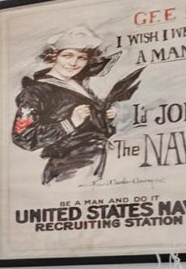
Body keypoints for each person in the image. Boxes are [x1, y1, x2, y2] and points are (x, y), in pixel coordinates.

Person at [10, 23, 137, 185]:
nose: (74, 63)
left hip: (95, 160)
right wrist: (70, 123)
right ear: (53, 56)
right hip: (69, 167)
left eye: (82, 58)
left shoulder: (78, 84)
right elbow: (23, 137)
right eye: (67, 55)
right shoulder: (36, 92)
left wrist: (103, 116)